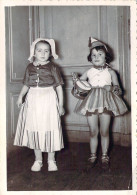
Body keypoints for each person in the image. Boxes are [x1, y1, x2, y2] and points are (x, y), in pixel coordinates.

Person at [73, 37, 128, 170]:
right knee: (93, 131)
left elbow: (119, 90)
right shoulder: (89, 71)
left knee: (104, 131)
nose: (96, 57)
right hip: (91, 102)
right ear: (90, 58)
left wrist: (112, 88)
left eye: (100, 54)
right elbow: (79, 86)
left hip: (107, 102)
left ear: (106, 57)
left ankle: (104, 156)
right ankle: (92, 156)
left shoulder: (111, 72)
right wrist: (76, 80)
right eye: (93, 55)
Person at [14, 38, 65, 172]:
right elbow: (26, 84)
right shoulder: (29, 67)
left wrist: (61, 105)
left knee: (50, 127)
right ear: (34, 52)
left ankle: (51, 160)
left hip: (48, 98)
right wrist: (20, 96)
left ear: (51, 53)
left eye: (46, 51)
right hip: (33, 99)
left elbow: (59, 87)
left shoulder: (53, 67)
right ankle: (38, 160)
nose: (43, 53)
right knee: (35, 127)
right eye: (39, 50)